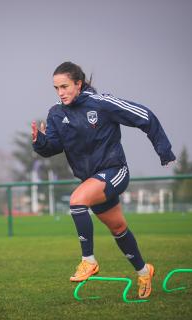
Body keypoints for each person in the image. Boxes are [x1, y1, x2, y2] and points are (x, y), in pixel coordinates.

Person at [32, 61, 176, 299]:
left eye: (65, 86)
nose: (60, 93)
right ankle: (144, 271)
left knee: (77, 200)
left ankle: (88, 260)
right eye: (56, 88)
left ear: (78, 84)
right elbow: (53, 147)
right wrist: (40, 142)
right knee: (118, 228)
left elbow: (144, 116)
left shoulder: (102, 104)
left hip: (114, 171)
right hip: (92, 180)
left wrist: (164, 150)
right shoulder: (56, 113)